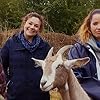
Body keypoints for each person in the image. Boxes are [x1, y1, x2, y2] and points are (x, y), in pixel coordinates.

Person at [1, 12, 51, 100]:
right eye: (30, 23)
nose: (32, 27)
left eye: (36, 26)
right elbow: (1, 65)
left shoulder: (45, 47)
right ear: (24, 23)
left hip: (40, 94)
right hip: (16, 94)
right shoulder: (11, 43)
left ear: (39, 29)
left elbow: (51, 68)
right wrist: (8, 82)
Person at [68, 9, 100, 100]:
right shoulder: (78, 50)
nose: (99, 27)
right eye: (95, 23)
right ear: (89, 26)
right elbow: (75, 77)